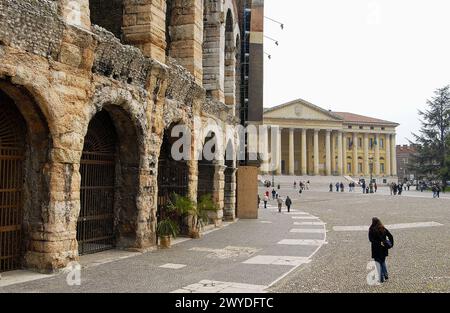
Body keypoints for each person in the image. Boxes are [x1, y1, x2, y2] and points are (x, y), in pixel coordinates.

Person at [369, 217, 394, 283]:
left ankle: (381, 278)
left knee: (378, 263)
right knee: (382, 262)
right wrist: (391, 244)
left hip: (376, 249)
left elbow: (371, 240)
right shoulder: (383, 228)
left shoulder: (371, 229)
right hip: (383, 249)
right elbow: (391, 236)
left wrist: (378, 243)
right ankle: (385, 275)